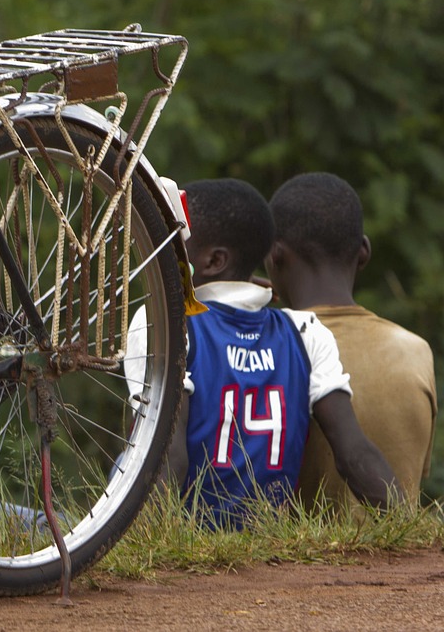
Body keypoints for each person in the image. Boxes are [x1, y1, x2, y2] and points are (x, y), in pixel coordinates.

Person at [161, 178, 401, 527]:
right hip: (266, 543)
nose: (162, 251)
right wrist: (410, 529)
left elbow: (170, 454)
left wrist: (146, 548)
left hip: (191, 540)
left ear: (213, 260)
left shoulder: (171, 325)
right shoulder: (306, 331)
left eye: (175, 241)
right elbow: (354, 455)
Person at [268, 171, 436, 510]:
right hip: (401, 557)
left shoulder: (269, 350)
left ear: (275, 255)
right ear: (363, 252)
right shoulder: (415, 351)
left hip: (295, 562)